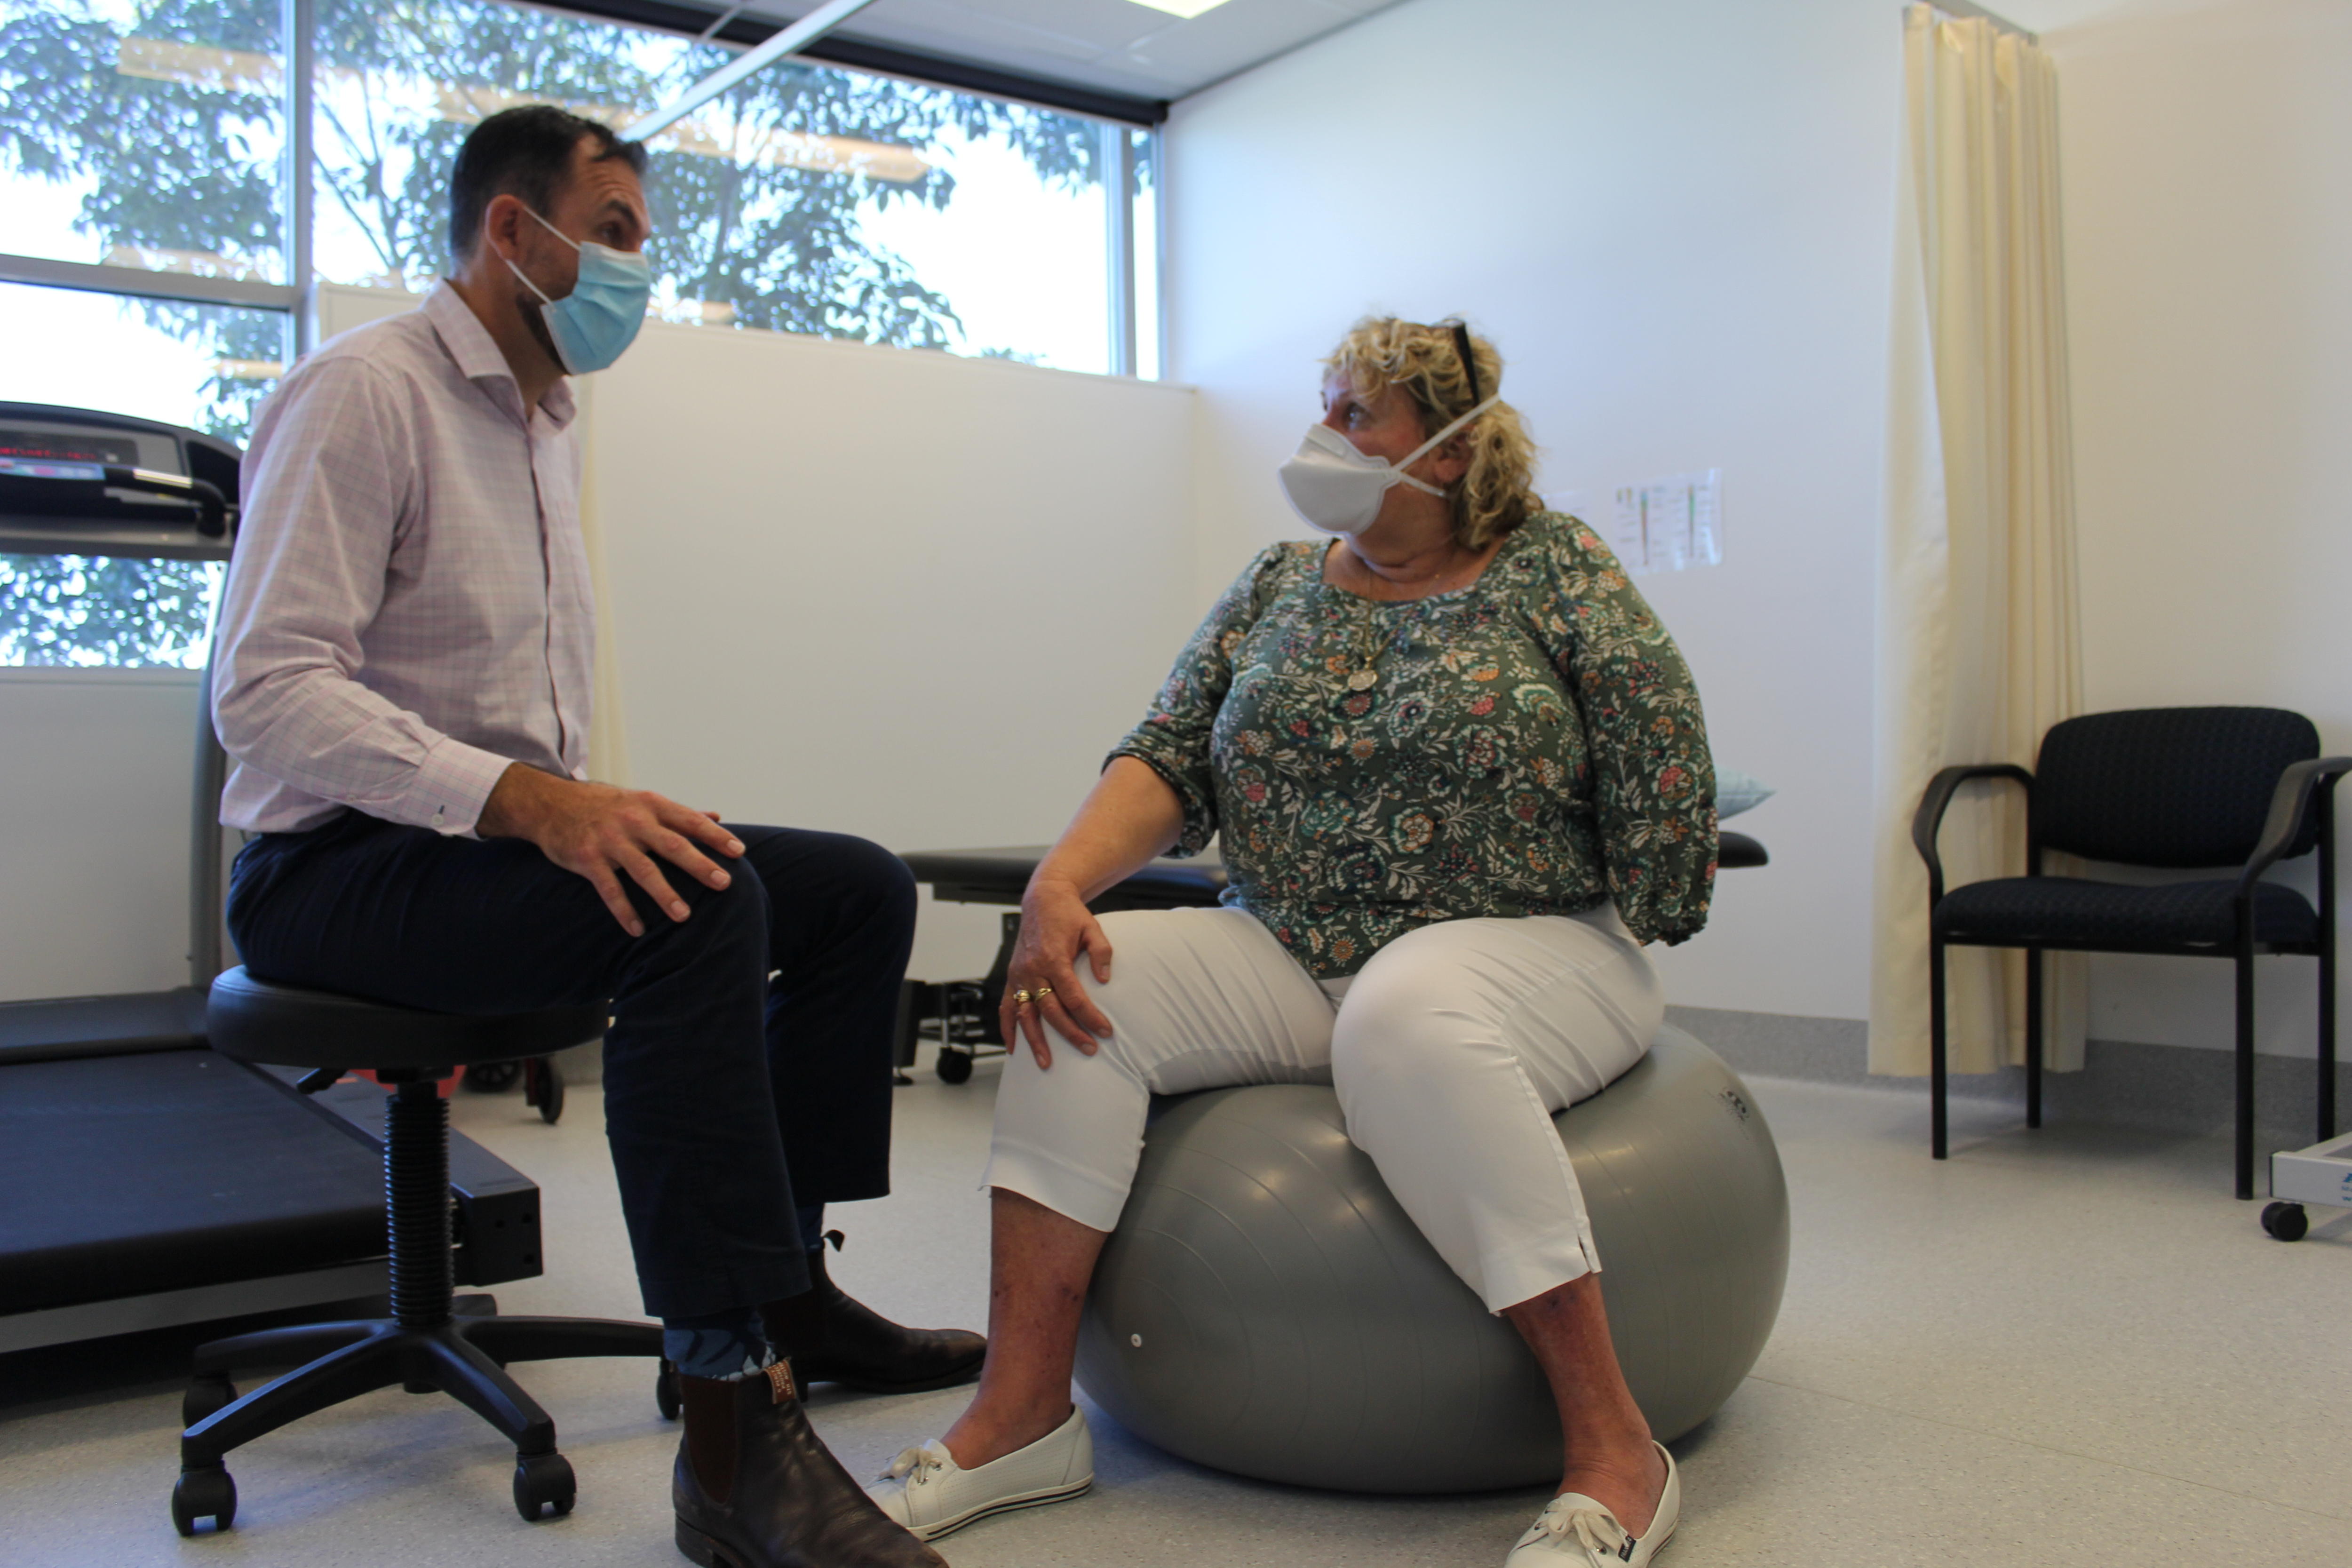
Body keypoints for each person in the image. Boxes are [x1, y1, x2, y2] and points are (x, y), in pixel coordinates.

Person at [211, 104, 973, 1568]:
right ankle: (733, 1420)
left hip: (470, 850)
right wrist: (536, 806)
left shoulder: (546, 419)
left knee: (854, 891)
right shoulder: (362, 395)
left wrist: (561, 809)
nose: (638, 266)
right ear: (515, 230)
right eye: (615, 231)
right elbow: (268, 694)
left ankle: (790, 1295)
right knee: (691, 909)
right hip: (325, 871)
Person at [866, 318, 1717, 1568]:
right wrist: (1061, 887)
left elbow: (1663, 759)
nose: (1324, 438)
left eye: (1355, 414)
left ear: (1448, 445)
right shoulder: (1276, 582)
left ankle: (1614, 1448)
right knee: (1075, 986)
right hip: (1293, 943)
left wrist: (1658, 884)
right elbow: (1164, 751)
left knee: (1407, 1015)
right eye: (1325, 406)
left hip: (1538, 946)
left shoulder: (1554, 569)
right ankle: (1025, 1413)